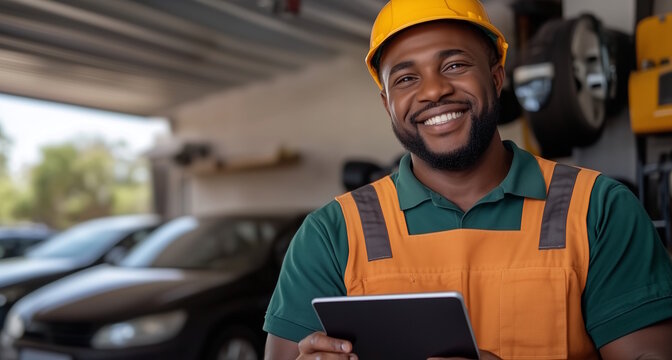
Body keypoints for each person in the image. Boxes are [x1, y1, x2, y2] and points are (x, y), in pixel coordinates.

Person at [263, 0, 672, 358]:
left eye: (455, 65)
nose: (434, 91)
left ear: (496, 77)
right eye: (407, 78)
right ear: (388, 104)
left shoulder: (598, 209)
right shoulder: (331, 234)